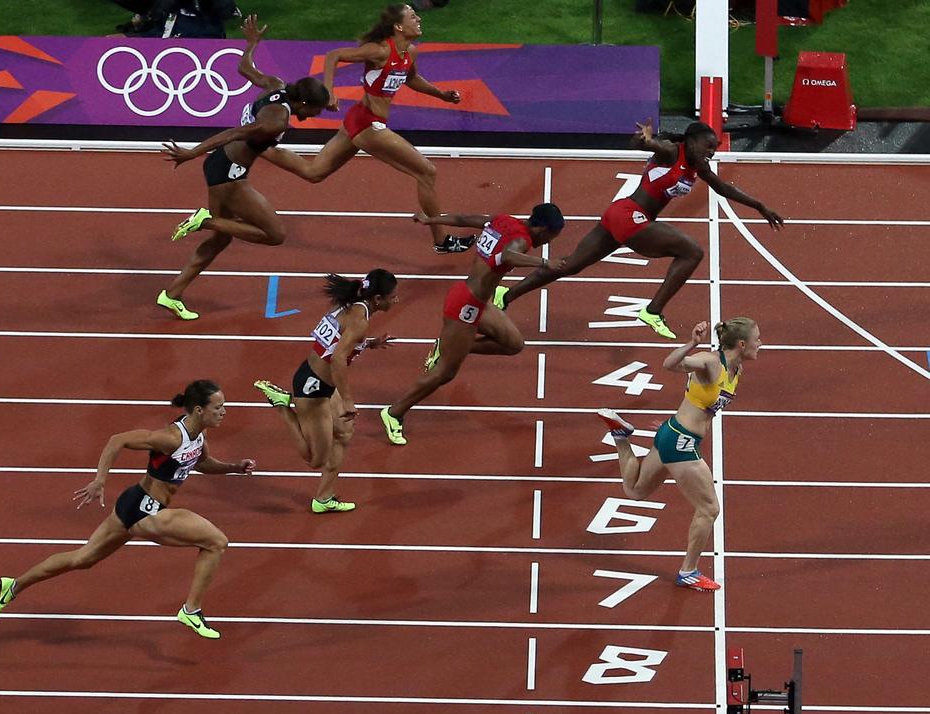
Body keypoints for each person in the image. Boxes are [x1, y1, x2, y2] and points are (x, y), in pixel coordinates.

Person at [0, 380, 254, 639]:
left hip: (133, 505)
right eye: (218, 407)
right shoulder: (170, 438)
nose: (224, 412)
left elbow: (202, 463)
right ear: (199, 410)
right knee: (216, 542)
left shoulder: (199, 436)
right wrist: (99, 480)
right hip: (145, 510)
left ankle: (14, 585)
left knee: (82, 559)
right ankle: (191, 610)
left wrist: (234, 467)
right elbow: (118, 440)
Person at [495, 120, 784, 339]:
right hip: (631, 216)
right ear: (692, 141)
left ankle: (504, 296)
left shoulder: (699, 168)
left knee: (570, 265)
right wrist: (642, 140)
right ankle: (653, 311)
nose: (712, 152)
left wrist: (759, 206)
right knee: (692, 252)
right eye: (709, 146)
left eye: (715, 149)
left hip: (620, 214)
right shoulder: (672, 151)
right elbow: (645, 146)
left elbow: (724, 188)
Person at [254, 5, 476, 254]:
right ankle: (441, 240)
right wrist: (328, 92)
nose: (420, 19)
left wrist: (441, 95)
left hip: (358, 119)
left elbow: (411, 78)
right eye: (413, 16)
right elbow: (333, 55)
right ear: (399, 26)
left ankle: (257, 144)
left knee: (314, 172)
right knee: (427, 172)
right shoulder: (379, 50)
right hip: (368, 124)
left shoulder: (409, 53)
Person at [156, 23, 330, 320]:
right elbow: (233, 133)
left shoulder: (276, 85)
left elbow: (245, 69)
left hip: (220, 166)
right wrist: (190, 152)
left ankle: (172, 294)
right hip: (230, 174)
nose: (316, 116)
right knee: (275, 234)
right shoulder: (276, 120)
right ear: (303, 103)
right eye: (317, 110)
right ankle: (207, 221)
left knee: (222, 240)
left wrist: (251, 44)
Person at [596, 317, 761, 592]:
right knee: (709, 509)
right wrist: (692, 344)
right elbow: (670, 364)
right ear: (742, 344)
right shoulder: (711, 362)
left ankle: (621, 437)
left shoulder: (737, 369)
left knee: (634, 491)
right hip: (681, 441)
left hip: (672, 432)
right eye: (757, 339)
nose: (760, 344)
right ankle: (689, 571)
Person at [379, 204, 565, 445]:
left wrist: (431, 219)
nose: (550, 240)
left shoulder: (504, 221)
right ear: (541, 227)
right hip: (465, 307)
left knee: (513, 344)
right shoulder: (520, 241)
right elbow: (507, 255)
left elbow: (468, 218)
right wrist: (543, 262)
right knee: (445, 372)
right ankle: (394, 413)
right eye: (551, 235)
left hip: (480, 303)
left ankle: (448, 346)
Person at [253, 270, 399, 512]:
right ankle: (282, 406)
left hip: (321, 383)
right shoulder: (359, 319)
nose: (396, 301)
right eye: (393, 297)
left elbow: (337, 341)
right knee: (315, 460)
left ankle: (323, 498)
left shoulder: (355, 307)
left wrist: (369, 344)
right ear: (378, 299)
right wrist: (349, 400)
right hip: (313, 390)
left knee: (344, 433)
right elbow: (338, 359)